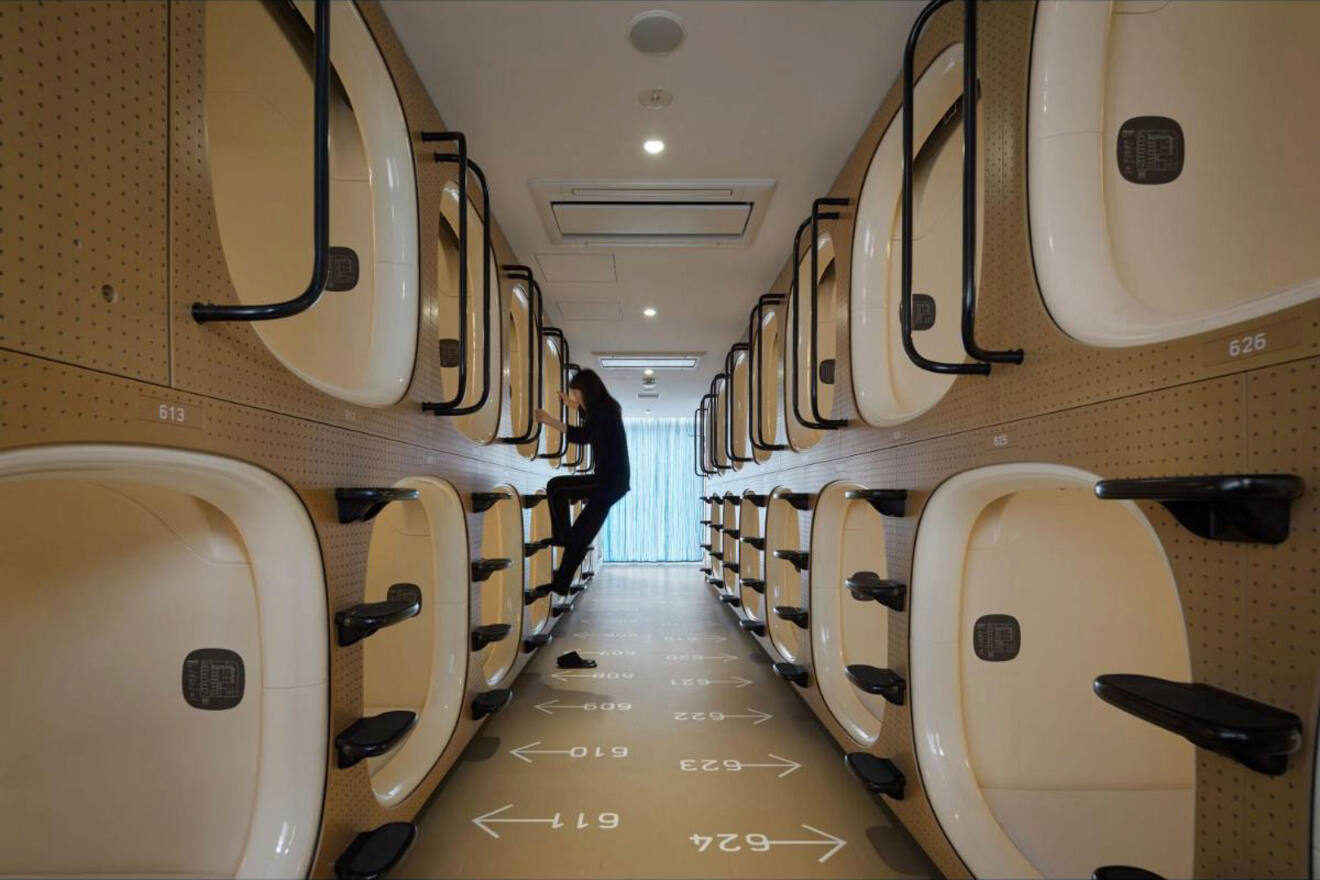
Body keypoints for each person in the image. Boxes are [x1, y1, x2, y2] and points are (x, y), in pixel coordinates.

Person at [534, 369, 630, 598]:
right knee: (581, 537)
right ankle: (560, 584)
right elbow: (593, 421)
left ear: (586, 390)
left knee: (556, 487)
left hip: (608, 481)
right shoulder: (607, 408)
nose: (575, 397)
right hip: (613, 482)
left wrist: (549, 421)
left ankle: (561, 536)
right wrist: (574, 406)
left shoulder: (604, 411)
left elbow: (585, 435)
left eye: (576, 393)